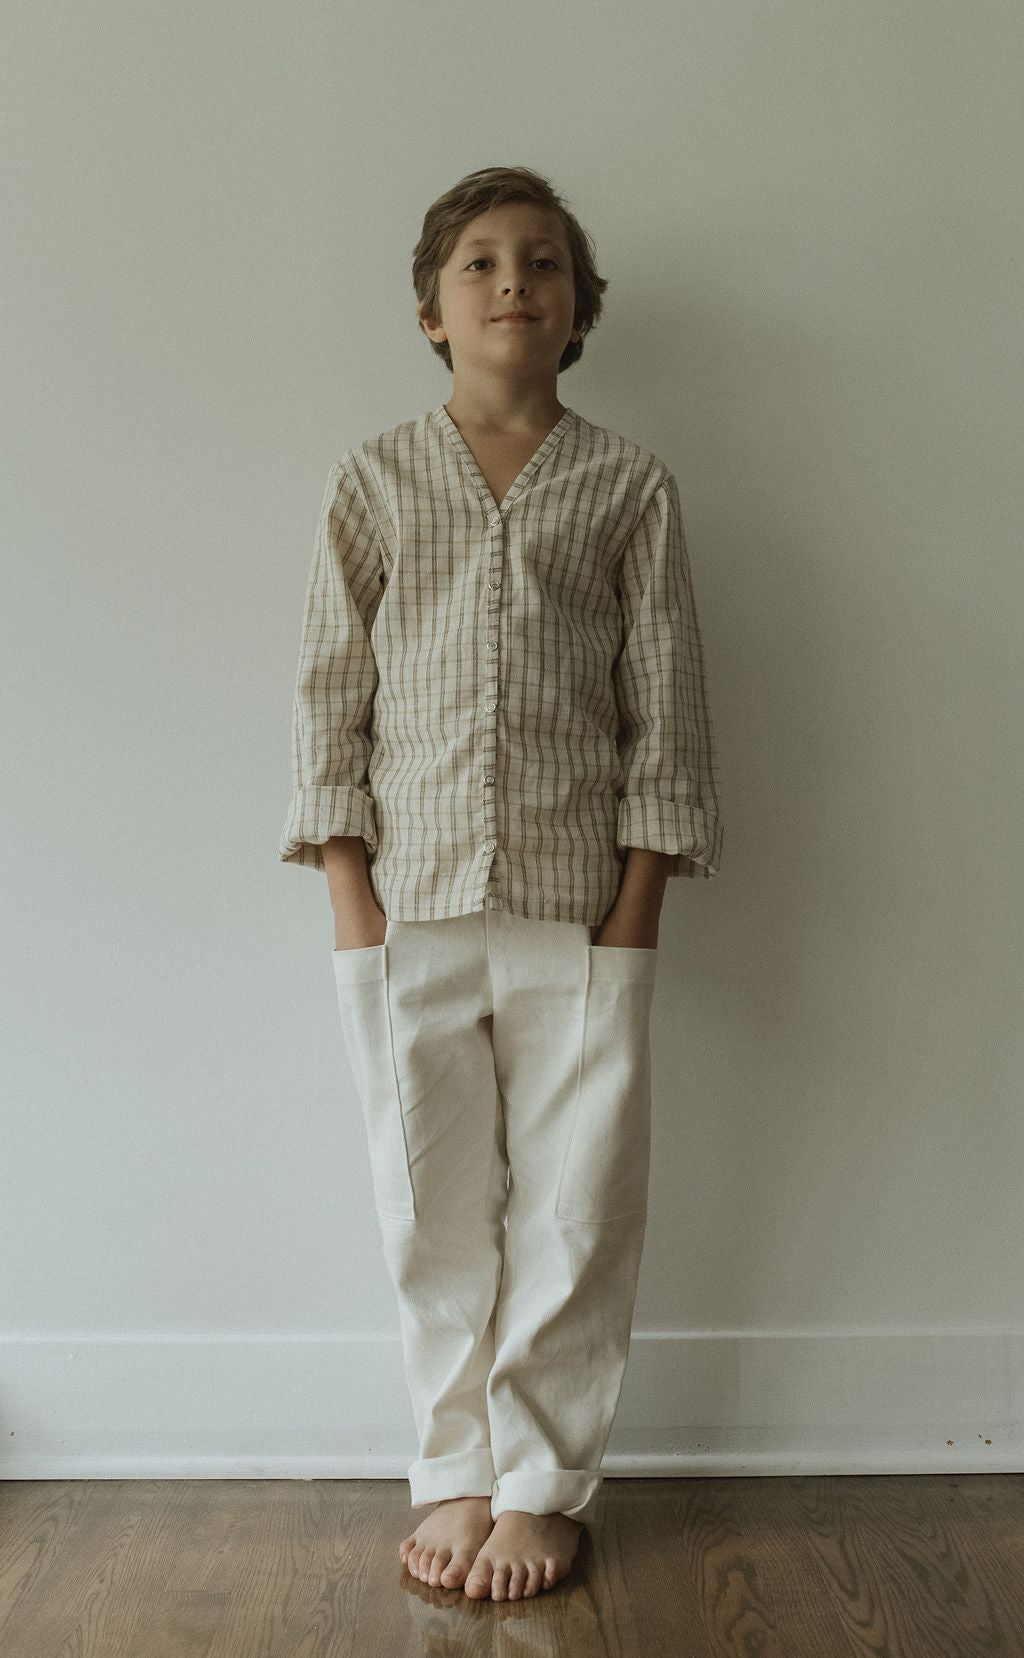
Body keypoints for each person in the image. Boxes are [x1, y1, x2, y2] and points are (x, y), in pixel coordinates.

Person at [279, 165, 723, 1602]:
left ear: (579, 310)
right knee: (429, 1207)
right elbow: (326, 696)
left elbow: (669, 704)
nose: (513, 282)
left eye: (542, 262)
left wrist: (639, 899)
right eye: (480, 262)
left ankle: (540, 1478)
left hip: (585, 911)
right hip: (405, 913)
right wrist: (351, 892)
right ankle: (452, 1471)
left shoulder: (627, 486)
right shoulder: (375, 480)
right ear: (430, 311)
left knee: (580, 1205)